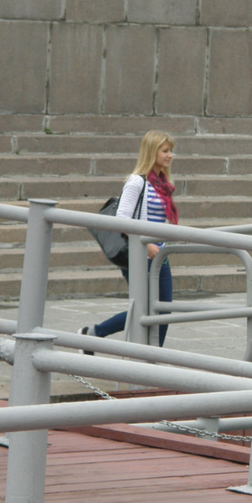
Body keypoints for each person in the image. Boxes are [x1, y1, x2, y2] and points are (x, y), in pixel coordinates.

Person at [80, 130, 179, 348]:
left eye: (170, 150)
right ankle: (97, 335)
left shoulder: (163, 184)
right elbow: (122, 220)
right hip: (139, 254)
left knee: (163, 309)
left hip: (160, 254)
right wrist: (146, 246)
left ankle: (151, 354)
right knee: (143, 308)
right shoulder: (137, 182)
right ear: (152, 152)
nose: (170, 155)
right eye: (165, 151)